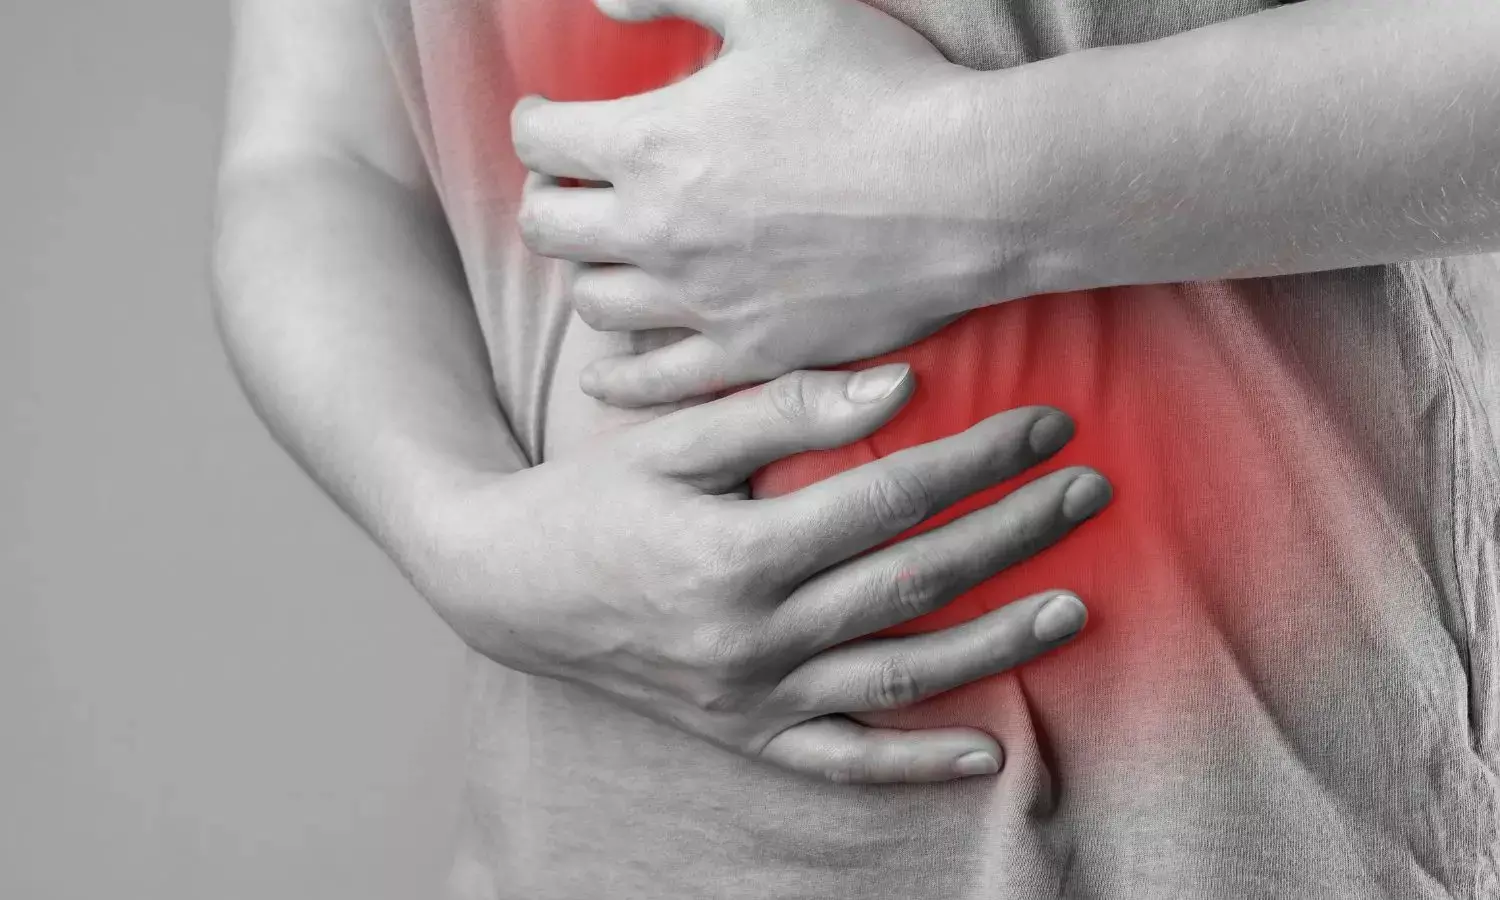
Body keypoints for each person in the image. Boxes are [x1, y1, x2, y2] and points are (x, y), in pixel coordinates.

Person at [212, 0, 1500, 897]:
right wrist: (453, 530)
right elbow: (322, 155)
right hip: (600, 830)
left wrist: (964, 185)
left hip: (1249, 816)